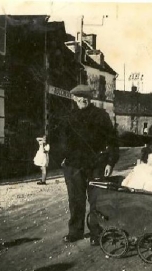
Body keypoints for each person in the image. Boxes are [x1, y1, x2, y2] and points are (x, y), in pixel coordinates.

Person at [62, 84, 119, 246]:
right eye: (79, 97)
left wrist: (110, 161)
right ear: (74, 98)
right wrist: (61, 157)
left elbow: (113, 140)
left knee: (97, 199)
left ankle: (97, 232)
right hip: (73, 164)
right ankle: (75, 231)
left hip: (96, 163)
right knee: (75, 199)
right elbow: (60, 139)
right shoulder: (68, 116)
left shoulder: (101, 116)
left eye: (85, 97)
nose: (82, 100)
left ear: (90, 98)